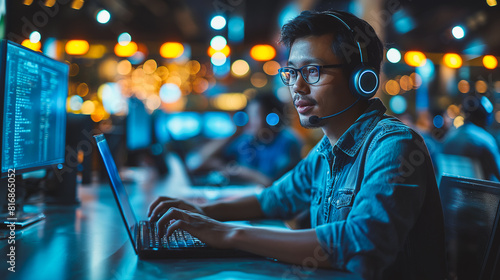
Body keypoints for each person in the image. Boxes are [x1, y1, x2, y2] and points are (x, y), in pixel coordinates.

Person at [148, 10, 446, 279]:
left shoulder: (395, 145)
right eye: (292, 73)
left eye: (313, 71)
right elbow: (273, 200)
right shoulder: (325, 152)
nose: (297, 87)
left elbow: (361, 242)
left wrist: (228, 234)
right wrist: (202, 213)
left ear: (361, 79)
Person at [191, 92, 302, 187]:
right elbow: (199, 162)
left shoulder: (288, 142)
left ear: (271, 118)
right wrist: (235, 133)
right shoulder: (247, 140)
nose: (249, 121)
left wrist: (241, 172)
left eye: (254, 115)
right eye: (248, 115)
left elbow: (278, 186)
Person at [442, 94, 500, 181]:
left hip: (453, 193)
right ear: (486, 118)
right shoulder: (484, 139)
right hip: (481, 193)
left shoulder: (449, 138)